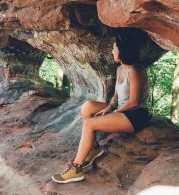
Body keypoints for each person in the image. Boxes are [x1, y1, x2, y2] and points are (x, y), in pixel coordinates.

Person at [51, 34, 151, 183]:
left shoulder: (136, 71)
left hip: (136, 115)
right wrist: (109, 107)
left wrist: (114, 113)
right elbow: (117, 96)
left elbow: (134, 102)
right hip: (123, 110)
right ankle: (94, 148)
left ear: (123, 50)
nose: (112, 51)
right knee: (87, 106)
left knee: (89, 124)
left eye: (114, 48)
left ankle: (76, 169)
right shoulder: (120, 69)